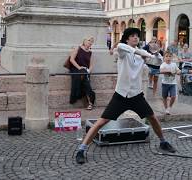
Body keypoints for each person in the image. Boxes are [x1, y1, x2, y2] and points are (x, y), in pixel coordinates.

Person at [75, 28, 176, 164]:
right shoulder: (123, 51)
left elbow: (157, 62)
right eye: (132, 36)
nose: (135, 38)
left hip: (137, 95)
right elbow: (121, 46)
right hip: (121, 95)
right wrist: (142, 52)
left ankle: (163, 142)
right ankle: (81, 149)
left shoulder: (142, 55)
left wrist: (155, 54)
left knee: (152, 117)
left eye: (137, 36)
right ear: (127, 38)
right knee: (101, 122)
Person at [69, 36, 96, 110]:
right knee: (85, 79)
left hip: (85, 71)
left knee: (85, 77)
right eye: (89, 40)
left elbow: (91, 65)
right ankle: (91, 100)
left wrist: (88, 71)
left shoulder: (90, 52)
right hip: (76, 69)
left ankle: (89, 101)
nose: (90, 42)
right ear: (84, 41)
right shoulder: (78, 48)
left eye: (92, 41)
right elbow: (71, 59)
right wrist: (79, 67)